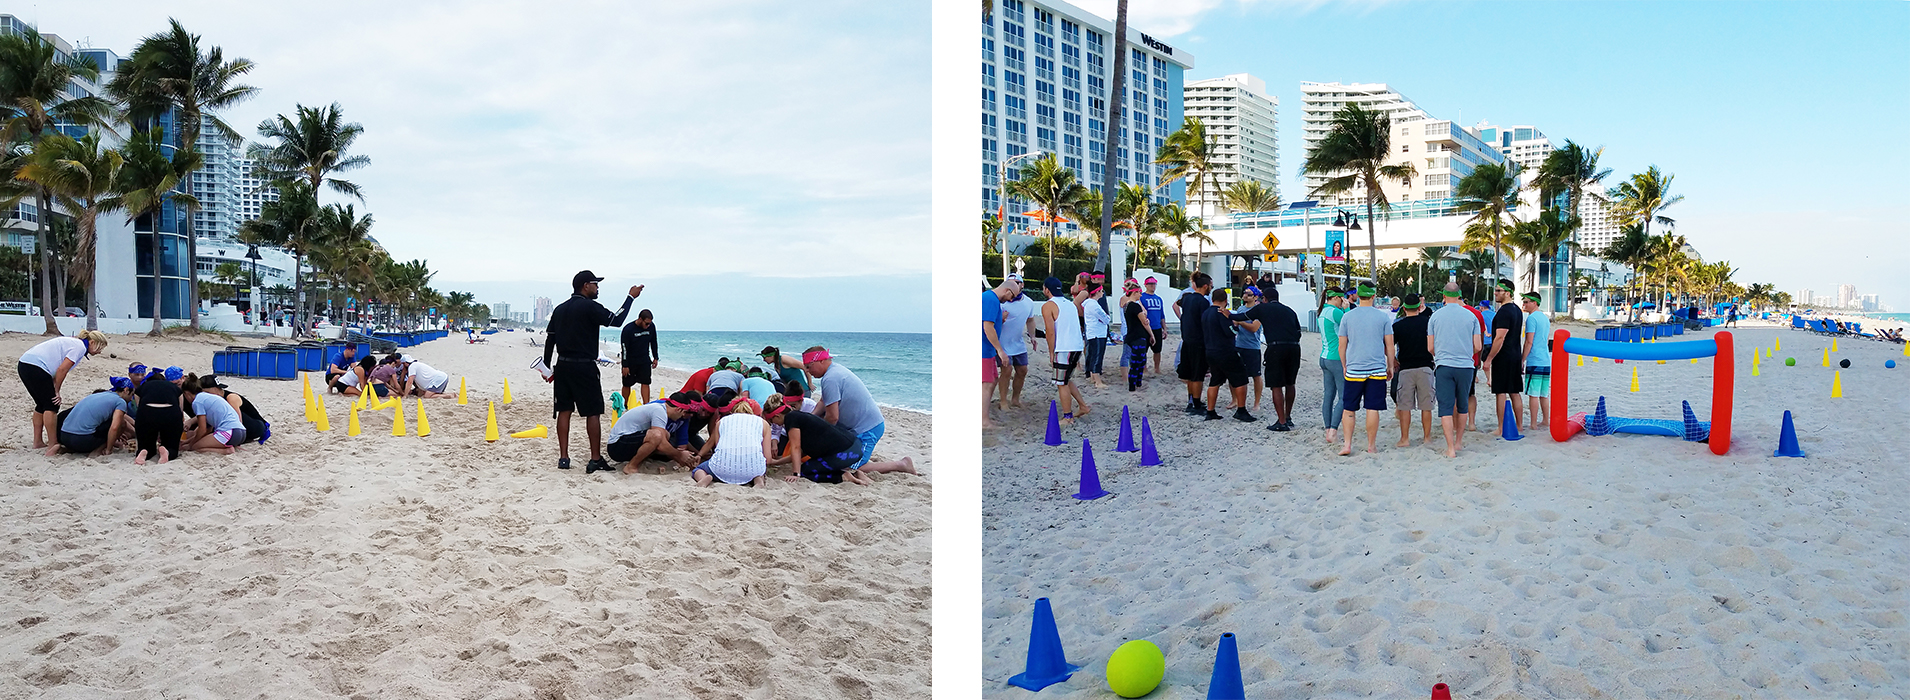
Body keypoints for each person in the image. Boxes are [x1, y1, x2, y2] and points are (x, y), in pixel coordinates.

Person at [543, 270, 643, 473]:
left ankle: (564, 458)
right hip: (584, 366)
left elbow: (550, 339)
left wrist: (545, 367)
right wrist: (630, 297)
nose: (598, 288)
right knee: (593, 412)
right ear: (585, 285)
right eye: (595, 284)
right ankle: (595, 459)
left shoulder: (560, 309)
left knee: (564, 410)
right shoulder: (590, 307)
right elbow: (616, 320)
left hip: (562, 365)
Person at [805, 346, 915, 475]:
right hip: (853, 429)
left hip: (868, 429)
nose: (807, 371)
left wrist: (822, 438)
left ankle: (901, 464)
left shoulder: (831, 378)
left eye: (809, 366)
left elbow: (832, 417)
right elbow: (824, 401)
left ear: (821, 361)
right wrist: (810, 418)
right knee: (835, 459)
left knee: (849, 468)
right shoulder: (834, 371)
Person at [17, 330, 108, 450]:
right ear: (92, 342)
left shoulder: (75, 343)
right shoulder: (79, 347)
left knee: (41, 404)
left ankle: (37, 441)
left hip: (25, 364)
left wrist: (53, 386)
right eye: (99, 348)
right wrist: (57, 391)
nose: (100, 352)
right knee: (52, 405)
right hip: (36, 366)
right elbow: (62, 370)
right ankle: (52, 443)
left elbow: (56, 369)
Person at [1336, 283, 1395, 456]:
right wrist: (1390, 365)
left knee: (1349, 409)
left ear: (1358, 295)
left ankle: (1347, 444)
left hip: (1355, 368)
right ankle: (1371, 445)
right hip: (1376, 368)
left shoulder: (1348, 317)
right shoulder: (1383, 317)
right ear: (1374, 295)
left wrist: (1344, 364)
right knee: (1372, 408)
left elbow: (1342, 345)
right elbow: (1389, 346)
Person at [766, 394, 877, 485]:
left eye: (771, 420)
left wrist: (796, 474)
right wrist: (777, 462)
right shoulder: (800, 416)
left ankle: (843, 476)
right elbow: (801, 453)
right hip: (854, 446)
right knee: (812, 465)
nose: (773, 424)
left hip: (846, 453)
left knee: (806, 471)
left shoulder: (791, 419)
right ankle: (856, 473)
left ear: (777, 416)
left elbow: (795, 447)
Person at [1428, 284, 1484, 458]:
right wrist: (1465, 352)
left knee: (1445, 407)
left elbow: (1430, 347)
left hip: (1444, 365)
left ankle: (1450, 447)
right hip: (1466, 366)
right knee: (1462, 405)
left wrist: (1443, 354)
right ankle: (1459, 442)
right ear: (1460, 295)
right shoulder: (1471, 316)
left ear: (1444, 296)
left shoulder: (1435, 317)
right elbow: (1478, 346)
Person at [1194, 287, 1251, 421]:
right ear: (1225, 301)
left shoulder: (1206, 313)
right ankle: (1241, 410)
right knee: (1241, 379)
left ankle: (1210, 410)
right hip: (1225, 350)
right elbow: (1230, 332)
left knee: (1215, 380)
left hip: (1210, 350)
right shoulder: (1221, 313)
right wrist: (1235, 326)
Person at [688, 395, 771, 487]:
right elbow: (767, 458)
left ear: (731, 411)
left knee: (699, 469)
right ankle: (758, 480)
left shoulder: (722, 421)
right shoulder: (763, 424)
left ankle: (704, 478)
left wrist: (700, 455)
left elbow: (717, 446)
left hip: (721, 469)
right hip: (752, 470)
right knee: (759, 471)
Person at [607, 392, 699, 474]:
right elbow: (661, 444)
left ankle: (641, 460)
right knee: (657, 436)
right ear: (679, 410)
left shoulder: (661, 408)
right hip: (617, 445)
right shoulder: (659, 410)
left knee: (665, 434)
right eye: (684, 412)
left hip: (626, 440)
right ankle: (631, 466)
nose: (683, 416)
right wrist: (679, 455)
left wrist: (683, 457)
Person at [1251, 285, 1302, 432]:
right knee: (1290, 383)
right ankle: (1288, 417)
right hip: (1294, 347)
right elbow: (1298, 331)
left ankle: (1281, 421)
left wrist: (1228, 314)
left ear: (1265, 299)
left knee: (1276, 385)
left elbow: (1242, 316)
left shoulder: (1263, 308)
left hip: (1276, 347)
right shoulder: (1289, 311)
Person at [1040, 277, 1089, 424]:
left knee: (1061, 383)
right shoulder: (1070, 304)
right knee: (1066, 379)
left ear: (1047, 289)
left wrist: (1051, 351)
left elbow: (1050, 331)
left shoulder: (1048, 306)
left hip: (1063, 347)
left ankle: (1068, 416)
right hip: (1076, 345)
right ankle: (1083, 406)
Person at [46, 377, 136, 457]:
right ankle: (98, 450)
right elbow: (115, 427)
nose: (131, 399)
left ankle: (64, 449)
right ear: (126, 390)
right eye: (132, 395)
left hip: (64, 436)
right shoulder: (120, 402)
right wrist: (109, 448)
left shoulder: (99, 395)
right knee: (121, 423)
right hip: (82, 439)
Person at [1391, 293, 1436, 448]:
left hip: (1406, 368)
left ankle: (1405, 438)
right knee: (1426, 405)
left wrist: (1394, 360)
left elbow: (1389, 346)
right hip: (1425, 366)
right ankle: (1427, 438)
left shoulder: (1398, 325)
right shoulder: (1428, 323)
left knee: (1404, 406)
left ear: (1404, 308)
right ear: (1419, 307)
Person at [1482, 280, 1525, 433]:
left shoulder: (1505, 311)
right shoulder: (1517, 310)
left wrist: (1489, 359)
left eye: (1499, 290)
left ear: (1507, 293)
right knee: (1514, 391)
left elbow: (1500, 337)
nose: (1495, 293)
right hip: (1515, 355)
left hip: (1504, 356)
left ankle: (1501, 427)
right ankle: (1519, 426)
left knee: (1501, 391)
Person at [1173, 272, 1215, 415]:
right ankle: (1197, 404)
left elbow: (1177, 304)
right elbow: (1205, 321)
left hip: (1187, 340)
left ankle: (1191, 401)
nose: (1211, 289)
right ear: (1205, 286)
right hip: (1198, 341)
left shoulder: (1187, 298)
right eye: (1210, 286)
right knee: (1198, 375)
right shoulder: (1202, 301)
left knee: (1190, 374)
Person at [996, 273, 1040, 408]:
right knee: (1006, 370)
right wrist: (1001, 319)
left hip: (1018, 343)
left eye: (1017, 282)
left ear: (1022, 285)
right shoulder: (1001, 302)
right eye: (1011, 282)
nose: (1014, 285)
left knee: (1022, 370)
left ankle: (1015, 399)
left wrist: (1032, 336)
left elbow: (1030, 319)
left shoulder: (1028, 302)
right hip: (1002, 342)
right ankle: (1003, 401)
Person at [181, 374, 247, 455]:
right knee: (198, 443)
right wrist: (187, 441)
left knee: (196, 447)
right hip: (241, 433)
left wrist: (190, 445)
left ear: (186, 393)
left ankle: (226, 451)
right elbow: (208, 427)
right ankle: (227, 446)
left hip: (229, 432)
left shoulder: (197, 402)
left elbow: (202, 429)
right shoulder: (208, 397)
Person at [197, 375, 270, 445]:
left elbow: (238, 420)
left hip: (257, 426)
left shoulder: (231, 398)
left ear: (215, 389)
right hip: (245, 423)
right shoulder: (218, 398)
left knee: (228, 414)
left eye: (206, 393)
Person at [134, 367, 185, 465]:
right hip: (170, 412)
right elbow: (180, 409)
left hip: (147, 411)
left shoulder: (144, 386)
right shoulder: (173, 387)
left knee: (145, 442)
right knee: (172, 445)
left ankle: (144, 451)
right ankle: (168, 452)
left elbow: (139, 406)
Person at [1317, 287, 1349, 443]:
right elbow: (1349, 325)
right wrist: (1347, 308)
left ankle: (1328, 428)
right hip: (1336, 358)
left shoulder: (1322, 311)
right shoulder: (1335, 312)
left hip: (1324, 356)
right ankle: (1333, 430)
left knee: (1328, 396)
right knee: (1344, 396)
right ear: (1337, 298)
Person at [984, 276, 1015, 427]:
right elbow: (987, 327)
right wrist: (1000, 350)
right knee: (986, 384)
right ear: (1007, 290)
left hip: (988, 349)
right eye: (1011, 296)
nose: (1010, 300)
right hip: (984, 349)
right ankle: (983, 421)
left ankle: (984, 416)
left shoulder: (992, 300)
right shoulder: (990, 299)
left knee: (993, 380)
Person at [1231, 286, 1266, 412]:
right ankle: (1235, 399)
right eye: (1245, 293)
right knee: (1234, 373)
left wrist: (1240, 322)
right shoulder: (1241, 309)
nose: (1245, 295)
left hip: (1252, 347)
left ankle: (1257, 402)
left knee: (1256, 375)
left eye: (1249, 294)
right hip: (1239, 344)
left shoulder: (1258, 310)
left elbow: (1254, 328)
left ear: (1255, 297)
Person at [1521, 292, 1552, 430]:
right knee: (1543, 394)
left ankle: (1533, 423)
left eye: (1527, 302)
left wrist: (1522, 359)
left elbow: (1529, 341)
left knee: (1533, 393)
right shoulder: (1545, 318)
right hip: (1545, 359)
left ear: (1534, 303)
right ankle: (1545, 420)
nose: (1524, 304)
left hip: (1535, 359)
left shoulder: (1532, 319)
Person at [621, 310, 660, 406]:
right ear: (640, 319)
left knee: (646, 382)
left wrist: (656, 357)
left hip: (644, 359)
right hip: (631, 361)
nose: (648, 326)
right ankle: (625, 405)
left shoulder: (651, 327)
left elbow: (653, 342)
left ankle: (646, 405)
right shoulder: (628, 329)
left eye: (649, 324)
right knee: (627, 384)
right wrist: (625, 365)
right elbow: (624, 348)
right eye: (646, 323)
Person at [1120, 280, 1151, 392]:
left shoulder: (1127, 305)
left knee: (1137, 360)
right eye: (1139, 293)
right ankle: (1134, 384)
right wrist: (1152, 335)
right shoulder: (1134, 306)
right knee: (1138, 361)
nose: (1141, 295)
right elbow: (1145, 322)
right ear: (1135, 292)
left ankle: (1136, 383)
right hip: (1138, 336)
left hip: (1132, 335)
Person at [1081, 281, 1112, 389]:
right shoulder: (1094, 305)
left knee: (1092, 355)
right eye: (1101, 291)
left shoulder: (1089, 304)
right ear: (1097, 292)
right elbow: (1106, 318)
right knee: (1097, 356)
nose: (1102, 293)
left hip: (1093, 332)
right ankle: (1097, 380)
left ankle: (1091, 376)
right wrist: (1107, 318)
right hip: (1097, 334)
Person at [1140, 277, 1167, 375]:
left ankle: (1157, 368)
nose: (1152, 286)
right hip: (1145, 328)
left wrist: (1164, 329)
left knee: (1157, 350)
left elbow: (1162, 315)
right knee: (1144, 350)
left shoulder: (1159, 299)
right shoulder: (1141, 297)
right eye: (1150, 284)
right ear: (1146, 285)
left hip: (1157, 327)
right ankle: (1144, 368)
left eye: (1154, 284)